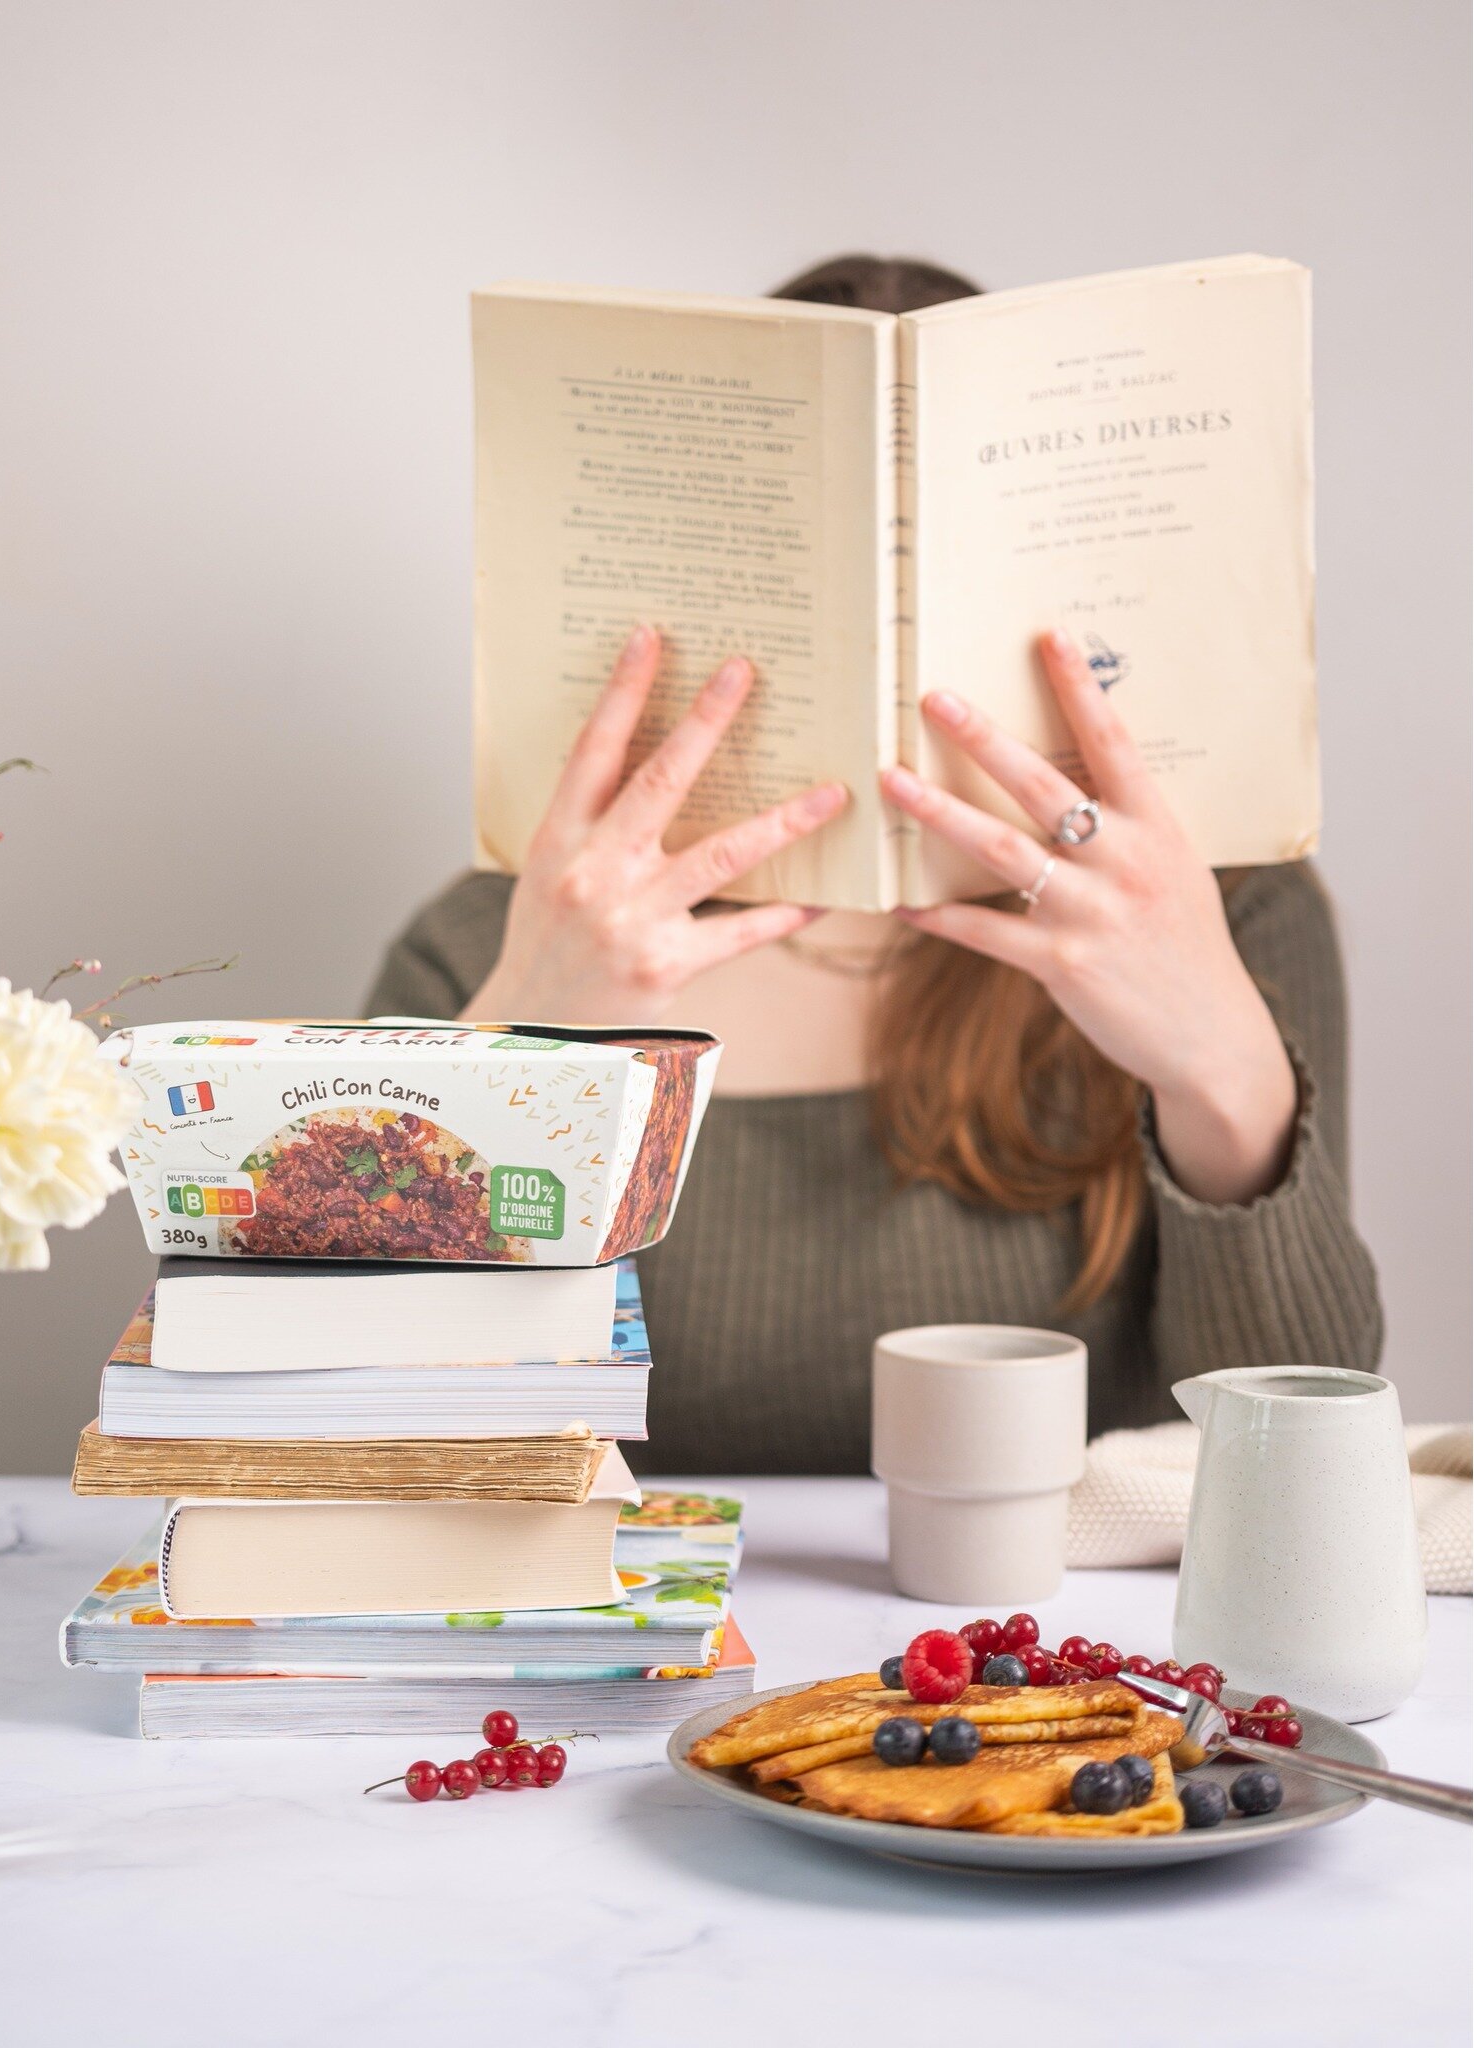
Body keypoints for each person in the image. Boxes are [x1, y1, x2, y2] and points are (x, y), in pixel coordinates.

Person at [369, 253, 1382, 1474]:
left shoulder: (1230, 908)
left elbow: (1297, 1465)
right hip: (643, 1643)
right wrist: (510, 1052)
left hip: (1066, 1659)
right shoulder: (501, 940)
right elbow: (348, 1436)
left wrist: (1222, 1067)